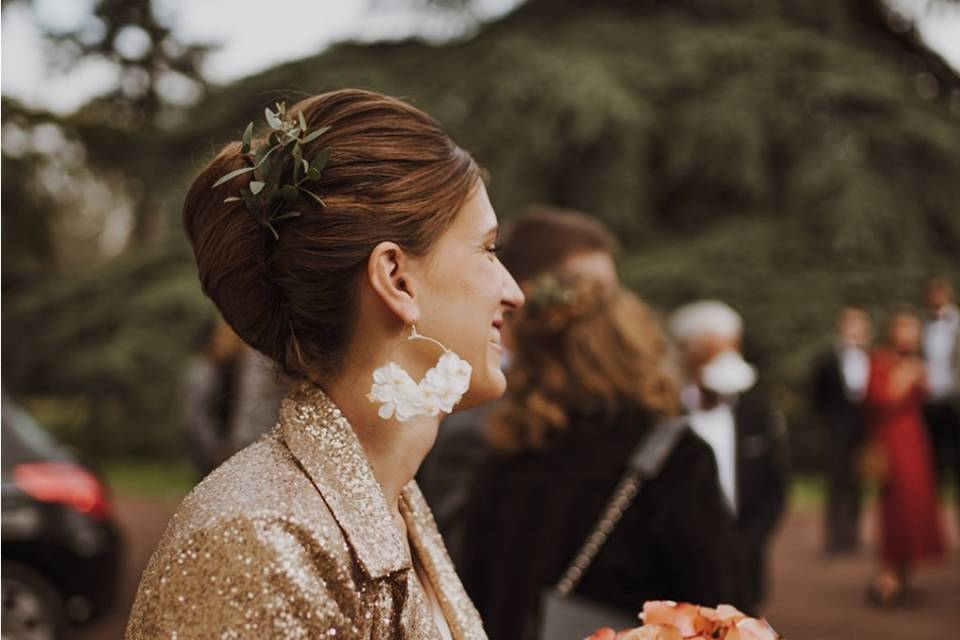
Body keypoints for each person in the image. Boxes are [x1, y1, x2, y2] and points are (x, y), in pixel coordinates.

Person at [127, 89, 524, 639]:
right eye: (488, 248)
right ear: (396, 279)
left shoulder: (395, 498)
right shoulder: (258, 544)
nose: (514, 292)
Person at [461, 277, 746, 640]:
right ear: (633, 347)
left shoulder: (505, 450)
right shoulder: (675, 455)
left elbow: (472, 586)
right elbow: (719, 604)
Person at [417, 205, 620, 571]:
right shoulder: (469, 412)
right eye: (591, 296)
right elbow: (454, 568)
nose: (610, 315)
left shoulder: (607, 415)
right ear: (531, 294)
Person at [668, 301, 787, 613]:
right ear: (688, 352)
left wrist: (745, 545)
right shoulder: (664, 412)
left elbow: (774, 488)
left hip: (743, 565)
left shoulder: (755, 410)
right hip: (677, 571)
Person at [864, 308, 945, 606]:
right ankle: (887, 576)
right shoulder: (879, 361)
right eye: (905, 329)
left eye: (914, 330)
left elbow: (930, 397)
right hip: (892, 439)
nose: (911, 336)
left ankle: (905, 573)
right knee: (895, 505)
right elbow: (878, 402)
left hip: (915, 438)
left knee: (915, 505)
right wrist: (905, 376)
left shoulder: (916, 362)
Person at [811, 307, 872, 555]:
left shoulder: (873, 357)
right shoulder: (828, 360)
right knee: (836, 482)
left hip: (864, 428)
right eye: (849, 325)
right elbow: (817, 396)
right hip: (837, 428)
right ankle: (833, 538)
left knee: (858, 482)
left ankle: (853, 536)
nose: (853, 330)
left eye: (858, 325)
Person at [182, 317, 245, 477]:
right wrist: (214, 448)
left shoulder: (220, 370)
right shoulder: (203, 373)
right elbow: (196, 416)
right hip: (208, 451)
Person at [921, 277, 960, 507]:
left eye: (940, 293)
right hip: (931, 404)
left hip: (956, 402)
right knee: (932, 467)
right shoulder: (924, 326)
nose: (936, 297)